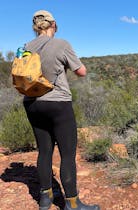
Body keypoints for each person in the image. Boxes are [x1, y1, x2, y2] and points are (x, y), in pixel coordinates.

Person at [23, 10, 100, 210]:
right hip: (57, 104)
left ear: (35, 27)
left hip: (32, 104)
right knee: (67, 154)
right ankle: (72, 203)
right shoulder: (61, 44)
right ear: (53, 25)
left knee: (44, 151)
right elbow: (81, 72)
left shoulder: (27, 47)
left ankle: (45, 198)